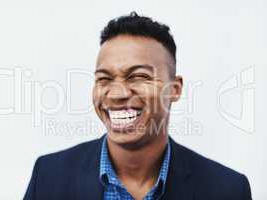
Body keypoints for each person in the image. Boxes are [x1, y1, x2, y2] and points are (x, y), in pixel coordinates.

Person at [23, 12, 252, 200]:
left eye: (139, 76)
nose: (117, 93)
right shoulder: (49, 176)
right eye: (104, 78)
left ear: (175, 89)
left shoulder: (228, 190)